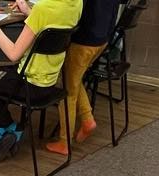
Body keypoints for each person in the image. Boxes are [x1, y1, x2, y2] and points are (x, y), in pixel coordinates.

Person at [0, 0, 83, 162]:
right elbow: (52, 24)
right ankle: (8, 129)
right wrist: (29, 13)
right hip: (50, 84)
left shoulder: (43, 8)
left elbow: (13, 54)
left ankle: (8, 125)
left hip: (29, 85)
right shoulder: (77, 3)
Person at [45, 0, 121, 156]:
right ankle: (87, 119)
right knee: (73, 79)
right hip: (102, 40)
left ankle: (64, 142)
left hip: (83, 41)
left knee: (68, 92)